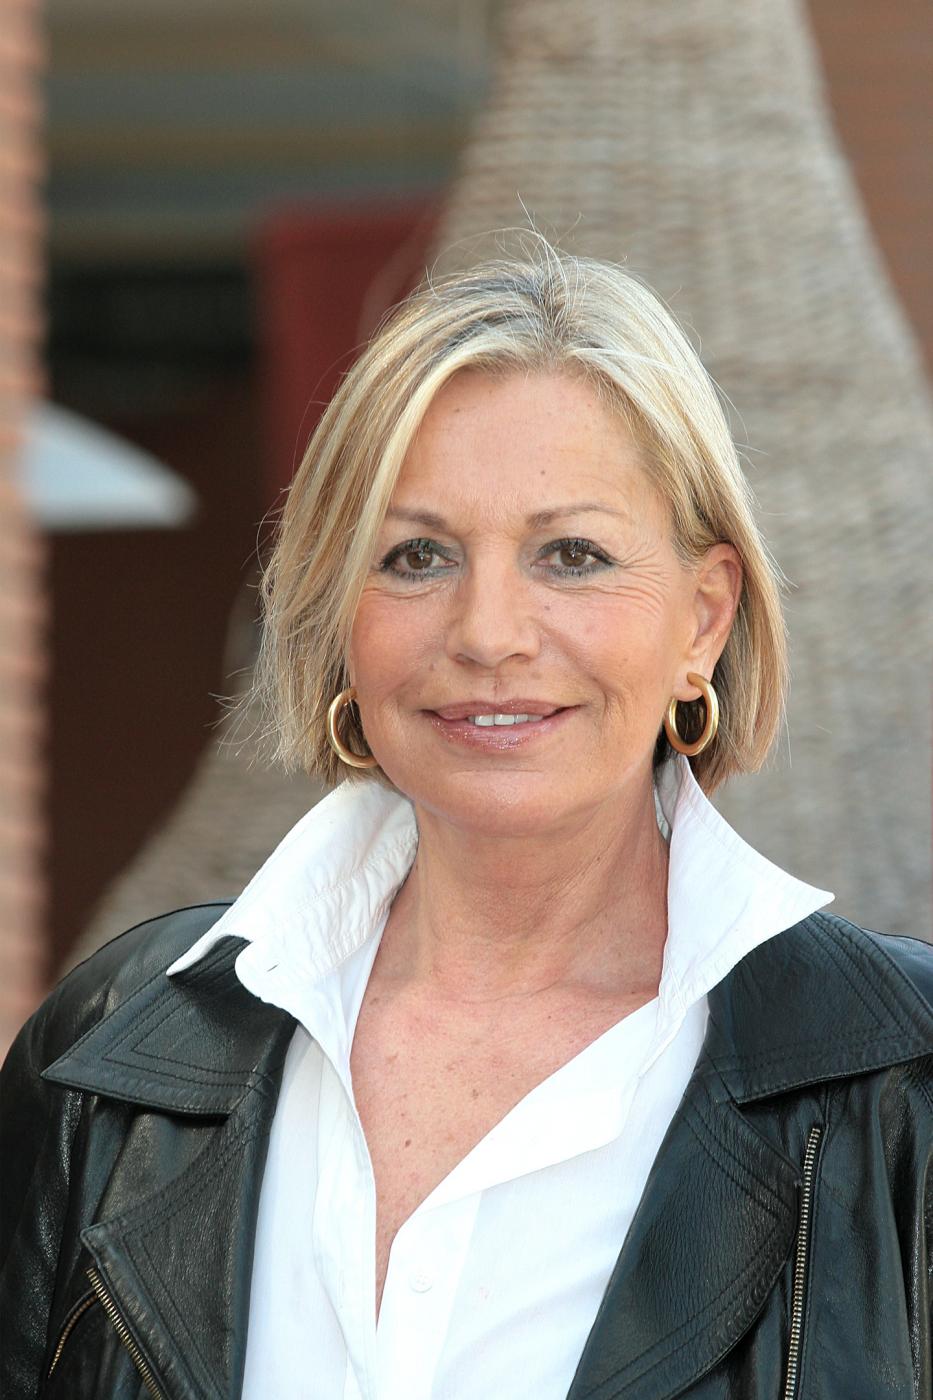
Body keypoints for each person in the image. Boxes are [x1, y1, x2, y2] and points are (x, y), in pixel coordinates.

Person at [2, 242, 930, 1400]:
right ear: (340, 613)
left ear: (703, 618)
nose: (489, 631)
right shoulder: (110, 1050)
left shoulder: (904, 1080)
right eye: (417, 555)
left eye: (572, 555)